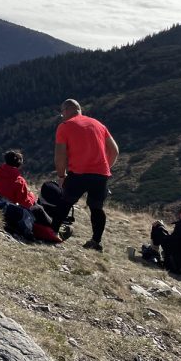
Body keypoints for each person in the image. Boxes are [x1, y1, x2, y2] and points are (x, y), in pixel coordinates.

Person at [51, 99, 119, 251]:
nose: (62, 116)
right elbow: (114, 151)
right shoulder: (99, 124)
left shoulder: (65, 126)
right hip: (101, 174)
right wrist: (105, 167)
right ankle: (96, 241)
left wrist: (61, 176)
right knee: (97, 208)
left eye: (62, 112)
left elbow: (60, 155)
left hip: (79, 173)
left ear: (67, 110)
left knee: (65, 202)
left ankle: (53, 232)